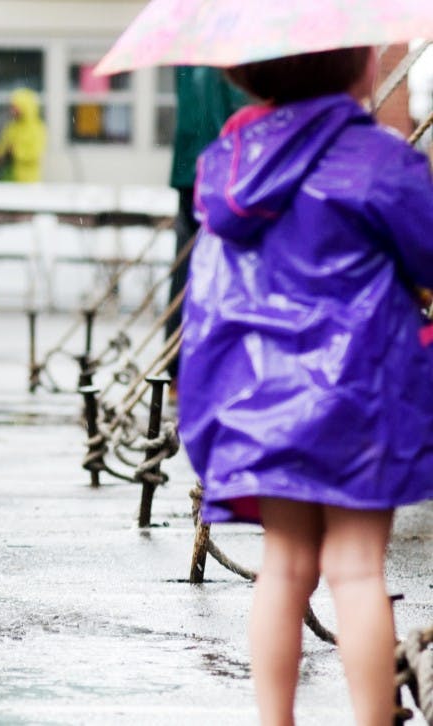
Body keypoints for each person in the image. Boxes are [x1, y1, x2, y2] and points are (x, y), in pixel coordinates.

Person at [177, 46, 433, 726]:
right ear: (359, 70)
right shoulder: (379, 159)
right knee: (356, 571)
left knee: (284, 570)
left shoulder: (228, 164)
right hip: (360, 398)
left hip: (260, 401)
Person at [164, 67, 246, 383]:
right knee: (220, 270)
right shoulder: (224, 58)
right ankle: (204, 367)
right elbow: (223, 116)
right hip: (221, 169)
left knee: (186, 268)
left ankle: (177, 366)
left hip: (189, 166)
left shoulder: (192, 51)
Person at [0, 87, 46, 182]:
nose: (12, 111)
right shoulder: (11, 126)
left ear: (25, 107)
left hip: (28, 180)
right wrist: (1, 153)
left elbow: (35, 153)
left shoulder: (37, 128)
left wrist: (15, 151)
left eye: (15, 107)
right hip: (8, 178)